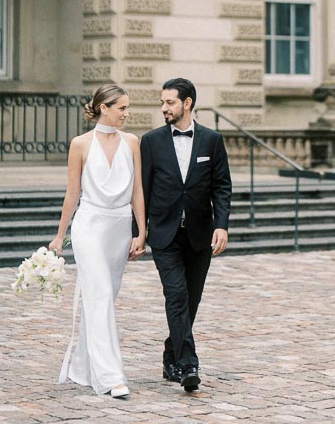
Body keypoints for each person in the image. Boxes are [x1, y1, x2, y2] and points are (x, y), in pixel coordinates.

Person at [48, 82, 146, 399]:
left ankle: (82, 368)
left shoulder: (132, 142)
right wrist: (60, 235)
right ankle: (109, 377)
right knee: (100, 293)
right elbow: (72, 192)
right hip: (89, 225)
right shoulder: (79, 144)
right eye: (122, 108)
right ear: (104, 108)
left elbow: (137, 191)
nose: (126, 114)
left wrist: (141, 231)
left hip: (119, 228)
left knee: (102, 298)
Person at [140, 78, 231, 392]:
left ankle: (171, 353)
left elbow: (222, 187)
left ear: (187, 103)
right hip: (164, 234)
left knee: (190, 300)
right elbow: (143, 190)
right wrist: (139, 232)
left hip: (199, 234)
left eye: (170, 102)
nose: (164, 108)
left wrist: (221, 225)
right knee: (176, 296)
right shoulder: (150, 141)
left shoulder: (212, 141)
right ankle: (187, 364)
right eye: (163, 102)